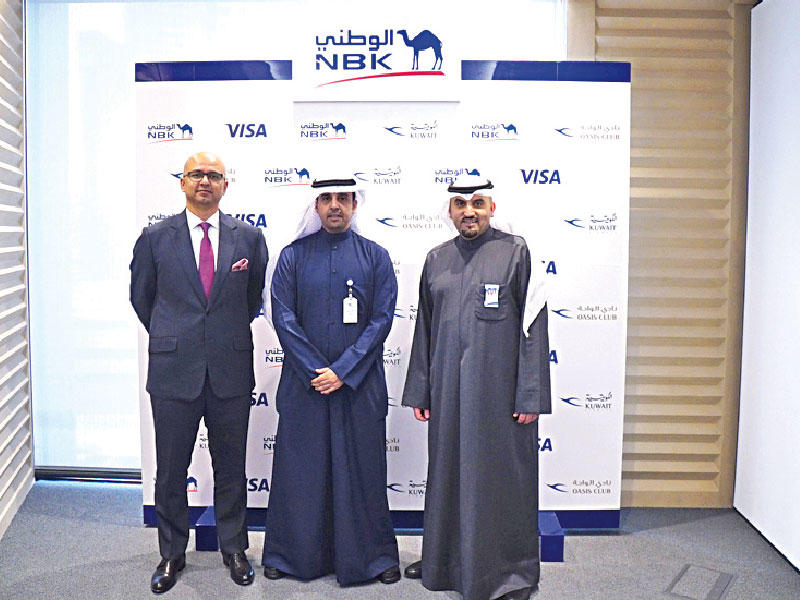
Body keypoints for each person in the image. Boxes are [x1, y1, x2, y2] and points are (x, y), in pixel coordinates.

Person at [401, 175, 551, 600]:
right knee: (447, 475)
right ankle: (444, 563)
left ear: (492, 208)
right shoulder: (436, 259)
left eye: (478, 203)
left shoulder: (516, 252)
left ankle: (507, 572)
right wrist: (422, 390)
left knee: (499, 481)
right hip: (448, 392)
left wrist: (530, 394)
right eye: (461, 204)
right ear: (450, 211)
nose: (469, 212)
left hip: (500, 397)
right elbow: (424, 327)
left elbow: (533, 326)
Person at [130, 152, 268, 594]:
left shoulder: (249, 238)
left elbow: (252, 299)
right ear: (183, 183)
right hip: (174, 371)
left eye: (213, 175)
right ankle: (172, 553)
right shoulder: (155, 237)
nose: (204, 181)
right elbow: (142, 298)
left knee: (231, 467)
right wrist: (175, 334)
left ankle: (234, 549)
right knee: (171, 470)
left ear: (226, 185)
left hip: (230, 368)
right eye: (196, 175)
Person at [261, 176, 401, 586]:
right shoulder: (292, 257)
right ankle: (289, 556)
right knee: (301, 471)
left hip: (359, 386)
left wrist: (343, 370)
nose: (335, 205)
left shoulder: (376, 257)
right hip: (304, 387)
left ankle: (373, 558)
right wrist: (316, 371)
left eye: (343, 198)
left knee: (363, 473)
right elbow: (283, 318)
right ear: (316, 205)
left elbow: (382, 320)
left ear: (355, 204)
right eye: (326, 198)